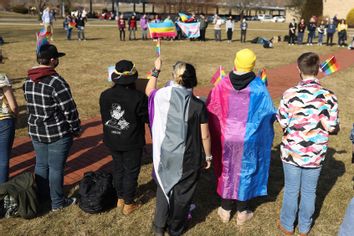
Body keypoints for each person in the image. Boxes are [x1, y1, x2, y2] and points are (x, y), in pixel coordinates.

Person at [207, 49, 276, 225]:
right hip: (249, 138)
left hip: (226, 136)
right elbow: (268, 113)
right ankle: (242, 212)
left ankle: (225, 209)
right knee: (246, 170)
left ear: (236, 62)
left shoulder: (222, 84)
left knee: (227, 169)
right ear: (252, 65)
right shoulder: (259, 86)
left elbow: (211, 108)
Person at [146, 58, 212, 236]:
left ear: (174, 77)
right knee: (183, 195)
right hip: (189, 158)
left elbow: (149, 91)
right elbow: (205, 135)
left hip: (166, 153)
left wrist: (156, 70)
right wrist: (208, 156)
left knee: (163, 186)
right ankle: (175, 229)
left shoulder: (162, 96)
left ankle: (159, 226)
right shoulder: (198, 105)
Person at [277, 52, 339, 235]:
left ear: (298, 69)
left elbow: (282, 122)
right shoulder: (330, 96)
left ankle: (287, 226)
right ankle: (304, 227)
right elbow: (333, 126)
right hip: (316, 153)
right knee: (309, 191)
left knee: (291, 190)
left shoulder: (289, 94)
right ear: (318, 69)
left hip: (291, 151)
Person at [23, 44, 81, 211]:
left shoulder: (28, 80)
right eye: (57, 59)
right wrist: (75, 128)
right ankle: (57, 202)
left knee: (41, 165)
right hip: (56, 132)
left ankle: (42, 197)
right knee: (56, 168)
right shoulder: (56, 81)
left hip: (36, 130)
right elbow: (69, 109)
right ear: (53, 60)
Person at [100, 60, 148, 215]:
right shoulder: (138, 97)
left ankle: (120, 197)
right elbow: (146, 118)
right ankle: (128, 203)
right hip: (131, 141)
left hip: (112, 139)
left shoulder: (105, 95)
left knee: (118, 167)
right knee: (131, 171)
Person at [0, 74, 18, 184]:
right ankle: (2, 191)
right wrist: (16, 116)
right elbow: (14, 106)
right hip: (3, 122)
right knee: (3, 159)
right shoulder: (1, 77)